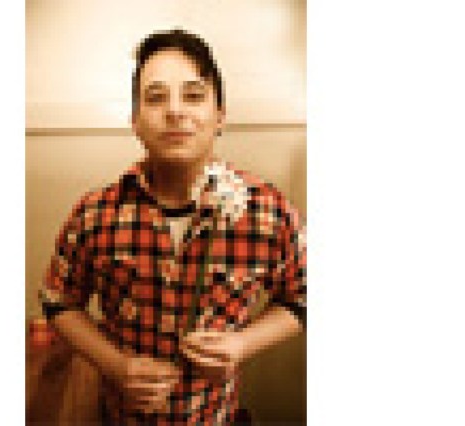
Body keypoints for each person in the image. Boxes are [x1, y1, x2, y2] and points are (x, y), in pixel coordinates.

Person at [39, 28, 306, 425]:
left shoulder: (267, 210)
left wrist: (243, 344)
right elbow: (58, 301)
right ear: (135, 121)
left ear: (220, 116)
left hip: (215, 416)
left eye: (193, 95)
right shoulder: (95, 213)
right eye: (156, 97)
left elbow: (302, 297)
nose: (176, 111)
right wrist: (114, 364)